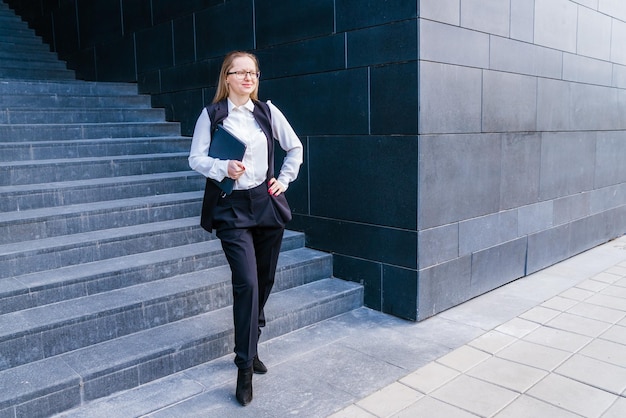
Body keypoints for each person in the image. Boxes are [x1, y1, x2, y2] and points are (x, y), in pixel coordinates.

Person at [188, 51, 303, 406]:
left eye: (253, 73)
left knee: (264, 280)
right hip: (232, 209)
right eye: (241, 73)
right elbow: (196, 159)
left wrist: (283, 179)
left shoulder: (267, 112)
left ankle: (252, 339)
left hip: (266, 204)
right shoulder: (211, 116)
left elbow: (294, 147)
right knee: (248, 283)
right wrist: (223, 167)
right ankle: (244, 367)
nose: (249, 78)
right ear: (227, 78)